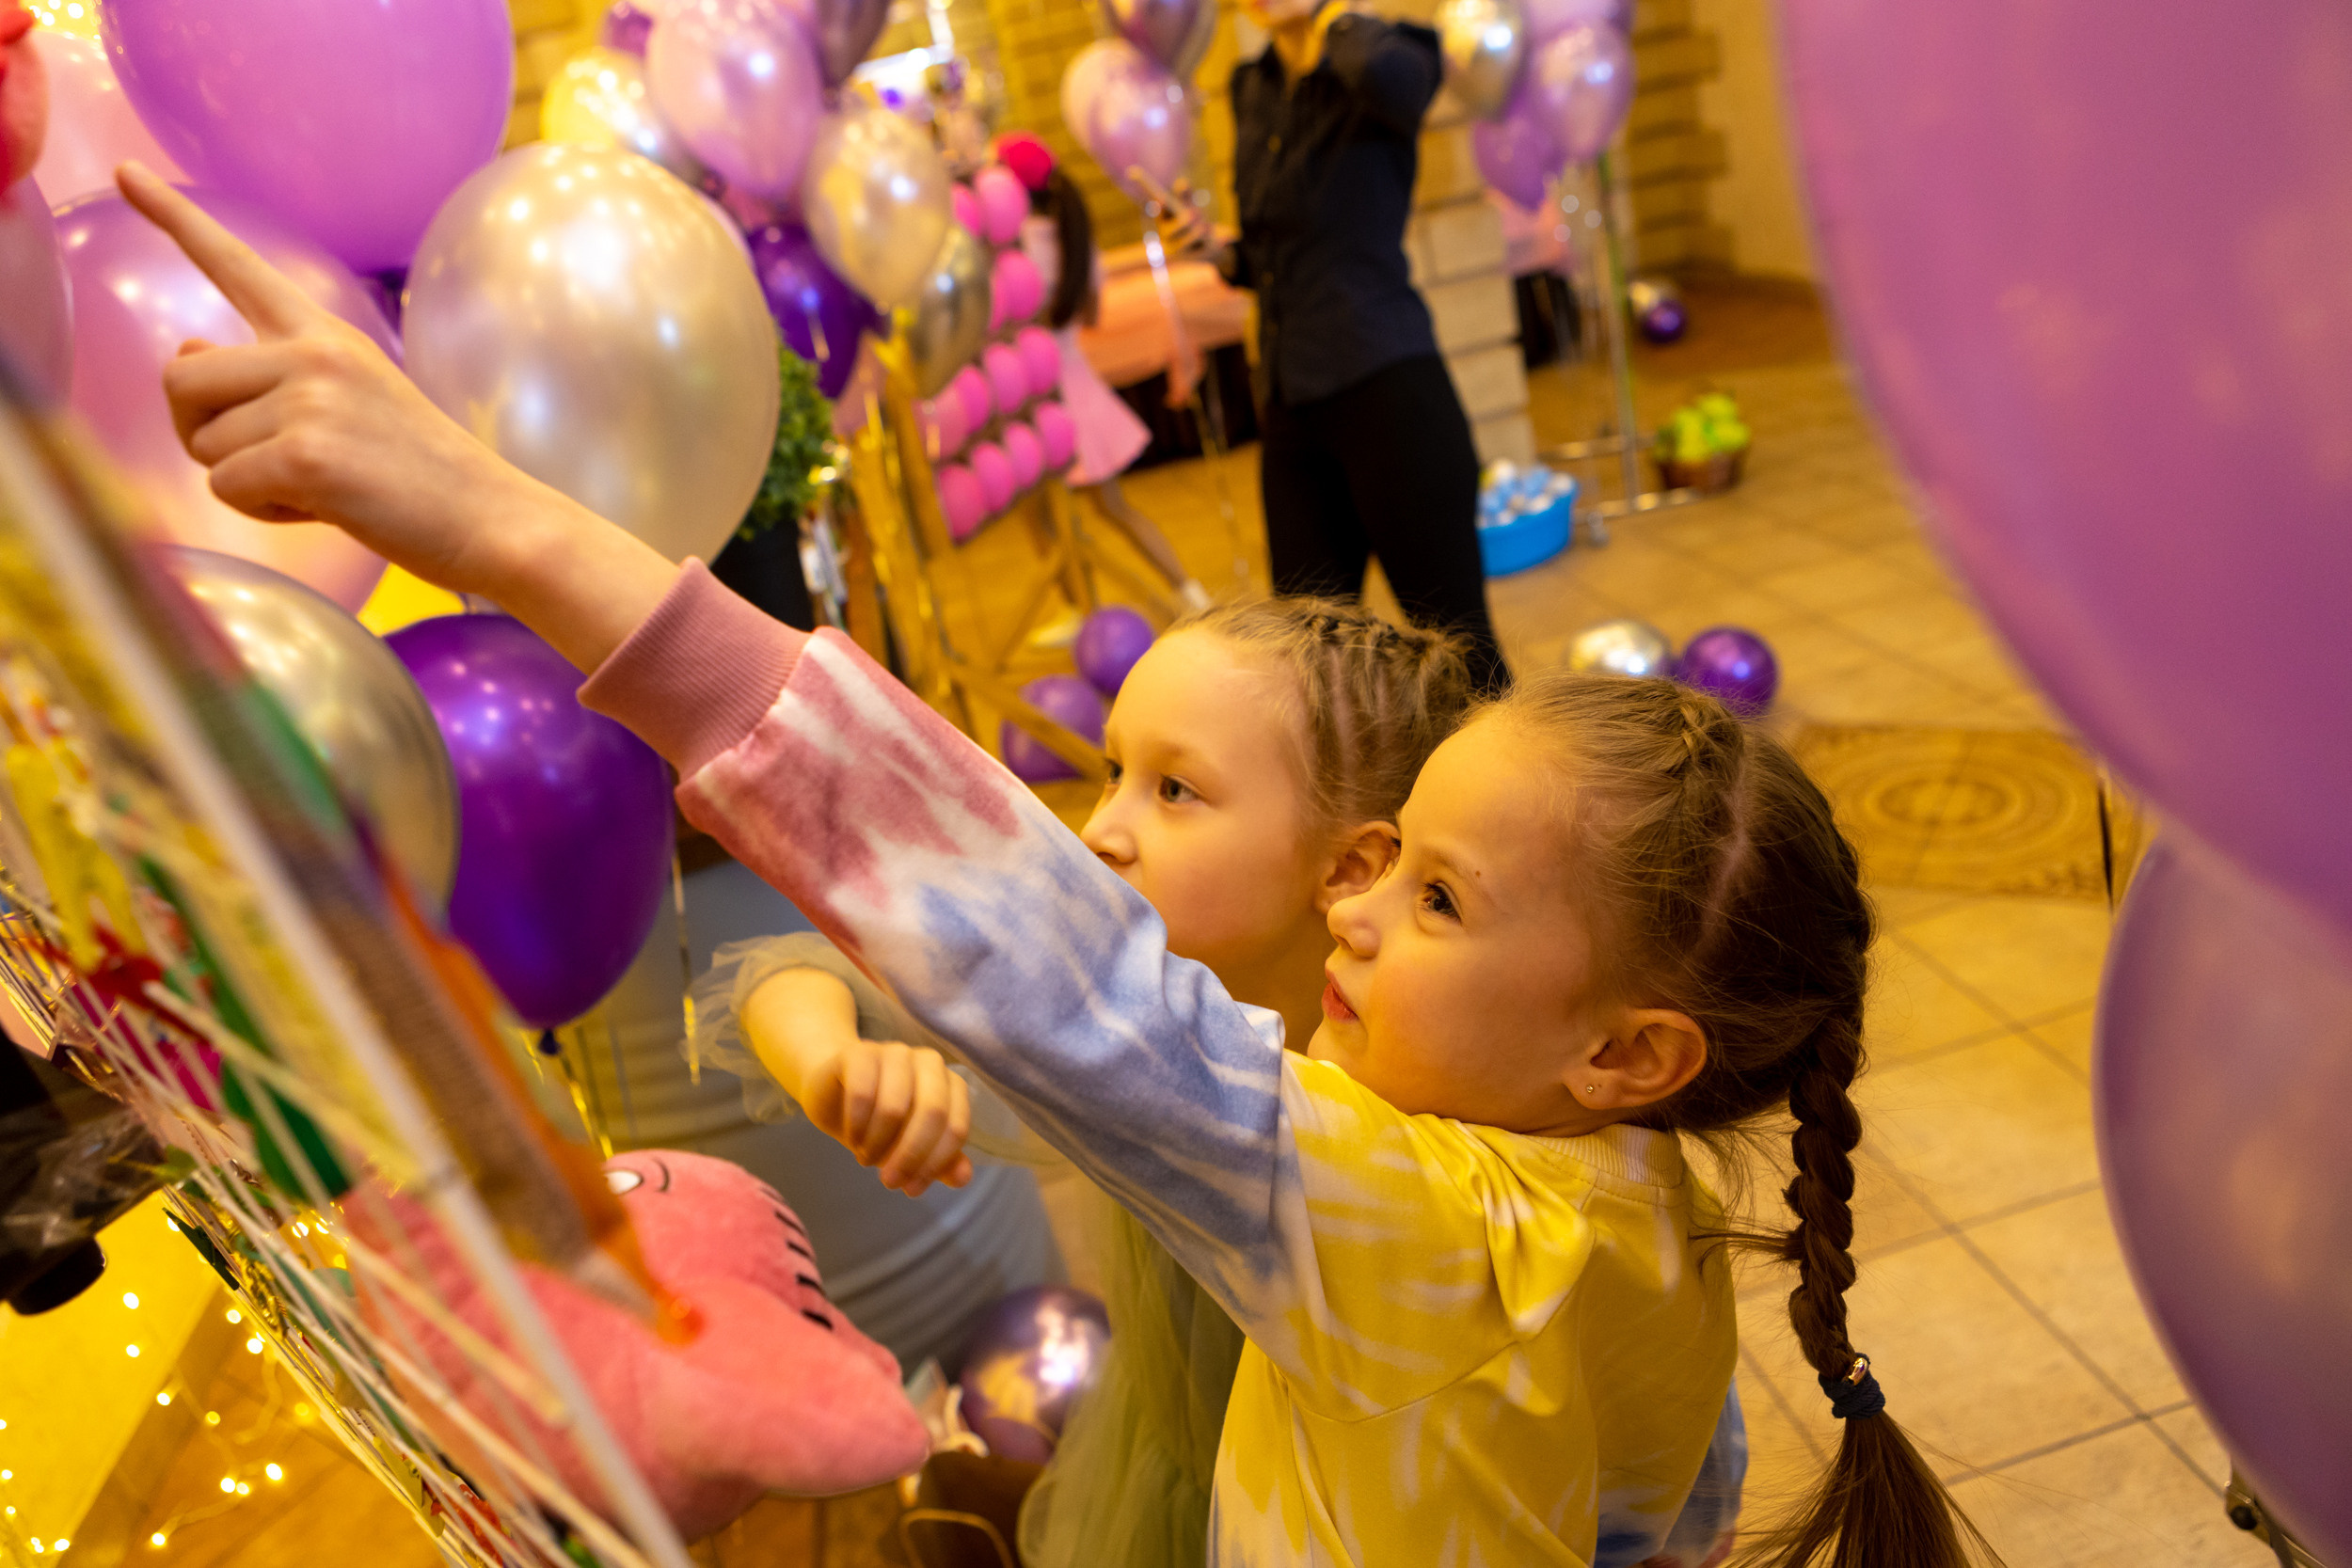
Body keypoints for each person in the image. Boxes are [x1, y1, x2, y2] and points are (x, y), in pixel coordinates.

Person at [123, 166, 1991, 1567]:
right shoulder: (1636, 1194)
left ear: (1631, 1049)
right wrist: (803, 1006)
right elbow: (1662, 1490)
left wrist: (494, 521)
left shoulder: (1416, 1218)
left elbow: (1056, 966)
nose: (1356, 908)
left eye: (1429, 896)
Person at [707, 599, 1482, 1568]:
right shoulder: (1092, 991)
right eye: (1115, 771)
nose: (1101, 829)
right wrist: (837, 1060)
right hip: (1179, 1468)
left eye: (1175, 790)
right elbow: (790, 969)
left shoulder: (1409, 1105)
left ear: (1349, 866)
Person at [1161, 0, 1511, 693]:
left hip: (1388, 387)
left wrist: (1332, 16)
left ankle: (1511, 798)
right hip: (1293, 402)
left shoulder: (1388, 51)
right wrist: (1219, 251)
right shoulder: (1251, 85)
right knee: (1307, 661)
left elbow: (1401, 89)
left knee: (1459, 650)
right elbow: (1273, 253)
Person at [996, 131, 1213, 613]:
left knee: (1044, 520)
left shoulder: (1013, 249)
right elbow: (1090, 316)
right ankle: (1192, 595)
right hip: (1080, 388)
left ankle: (1085, 615)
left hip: (1037, 397)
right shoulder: (1074, 236)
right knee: (1115, 508)